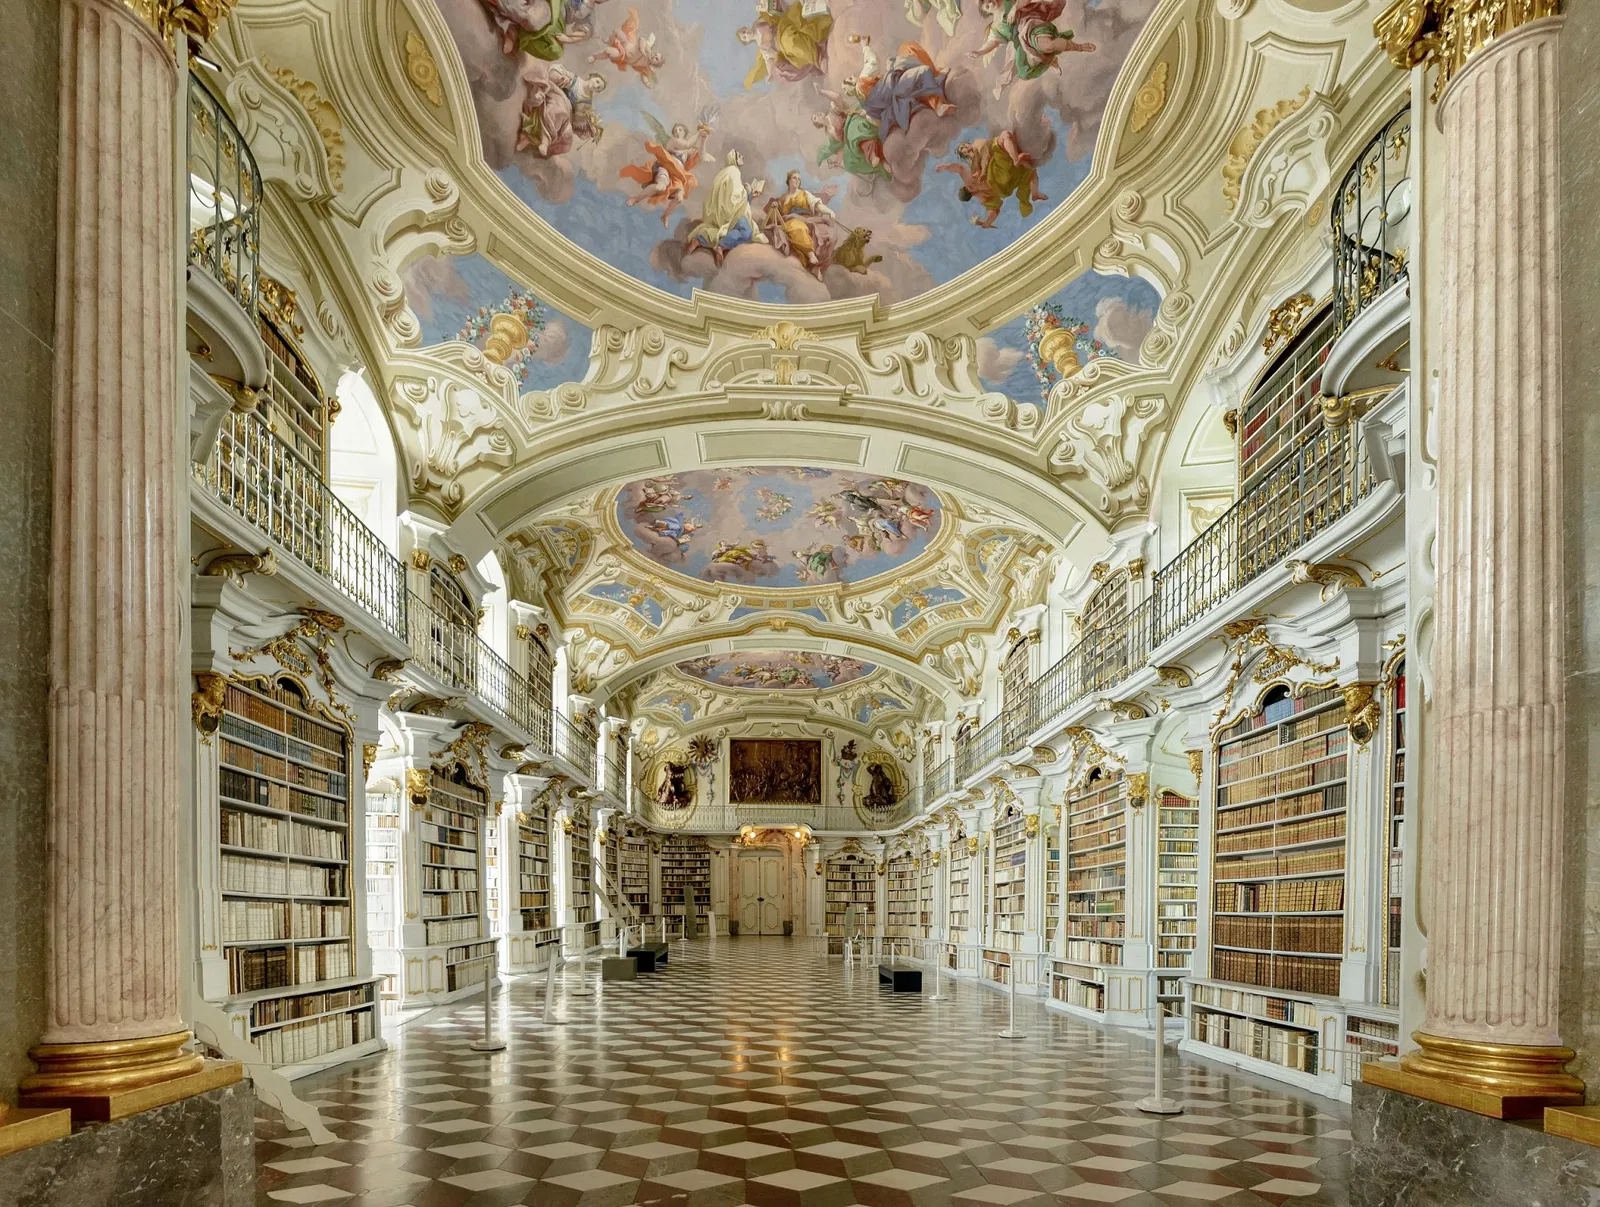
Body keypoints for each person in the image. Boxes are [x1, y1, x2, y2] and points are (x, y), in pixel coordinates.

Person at [972, 0, 1096, 98]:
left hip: (1031, 25)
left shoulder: (1007, 2)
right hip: (1021, 43)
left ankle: (1079, 47)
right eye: (987, 7)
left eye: (988, 0)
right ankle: (1051, 60)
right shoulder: (995, 27)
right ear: (987, 12)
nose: (990, 3)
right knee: (1024, 73)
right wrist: (979, 52)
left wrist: (1015, 8)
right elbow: (992, 42)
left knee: (1048, 45)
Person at [937, 130, 1046, 227]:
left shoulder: (977, 188)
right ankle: (1016, 159)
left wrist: (945, 167)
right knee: (1003, 137)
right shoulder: (977, 189)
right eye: (963, 148)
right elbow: (994, 210)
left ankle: (1035, 194)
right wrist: (986, 223)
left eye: (964, 145)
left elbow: (994, 210)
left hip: (1006, 181)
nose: (969, 185)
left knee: (1030, 171)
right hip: (998, 174)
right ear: (971, 191)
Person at [686, 151, 769, 265]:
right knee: (746, 232)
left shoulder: (724, 172)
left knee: (721, 231)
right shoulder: (734, 171)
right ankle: (720, 246)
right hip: (732, 213)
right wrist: (748, 192)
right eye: (739, 155)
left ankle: (700, 239)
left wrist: (748, 195)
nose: (742, 156)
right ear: (733, 159)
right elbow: (734, 196)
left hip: (721, 212)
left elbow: (731, 195)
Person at [738, 0, 834, 87]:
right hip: (783, 50)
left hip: (783, 29)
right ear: (747, 41)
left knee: (788, 40)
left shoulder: (759, 24)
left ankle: (819, 58)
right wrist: (770, 73)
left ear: (746, 28)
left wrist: (766, 39)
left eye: (744, 32)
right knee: (790, 60)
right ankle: (819, 54)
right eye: (744, 37)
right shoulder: (762, 48)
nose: (746, 34)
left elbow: (769, 30)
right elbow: (769, 60)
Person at [765, 170, 838, 280]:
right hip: (789, 222)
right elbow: (777, 215)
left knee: (804, 228)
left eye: (799, 179)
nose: (797, 181)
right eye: (795, 178)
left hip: (805, 219)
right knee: (796, 226)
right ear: (789, 180)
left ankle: (813, 261)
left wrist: (828, 211)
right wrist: (774, 205)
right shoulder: (783, 198)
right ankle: (811, 259)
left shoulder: (805, 194)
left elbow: (817, 205)